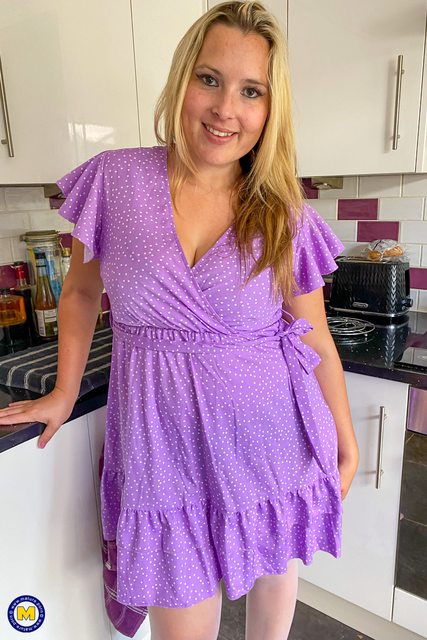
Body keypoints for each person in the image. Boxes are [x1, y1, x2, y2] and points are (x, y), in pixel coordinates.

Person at [0, 2, 359, 639]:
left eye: (251, 91)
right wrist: (62, 392)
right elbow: (80, 293)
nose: (225, 109)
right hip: (160, 453)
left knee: (269, 622)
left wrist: (346, 442)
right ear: (181, 78)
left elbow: (314, 336)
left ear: (270, 109)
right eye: (209, 79)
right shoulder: (114, 180)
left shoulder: (281, 212)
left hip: (272, 444)